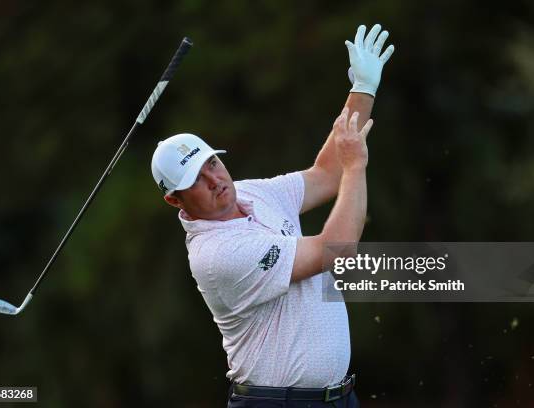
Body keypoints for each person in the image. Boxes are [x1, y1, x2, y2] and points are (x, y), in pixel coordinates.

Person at [151, 23, 394, 407]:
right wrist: (356, 166)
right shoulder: (216, 255)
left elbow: (325, 175)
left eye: (212, 163)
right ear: (175, 201)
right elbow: (335, 250)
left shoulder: (250, 192)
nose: (214, 179)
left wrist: (362, 89)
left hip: (340, 399)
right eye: (196, 179)